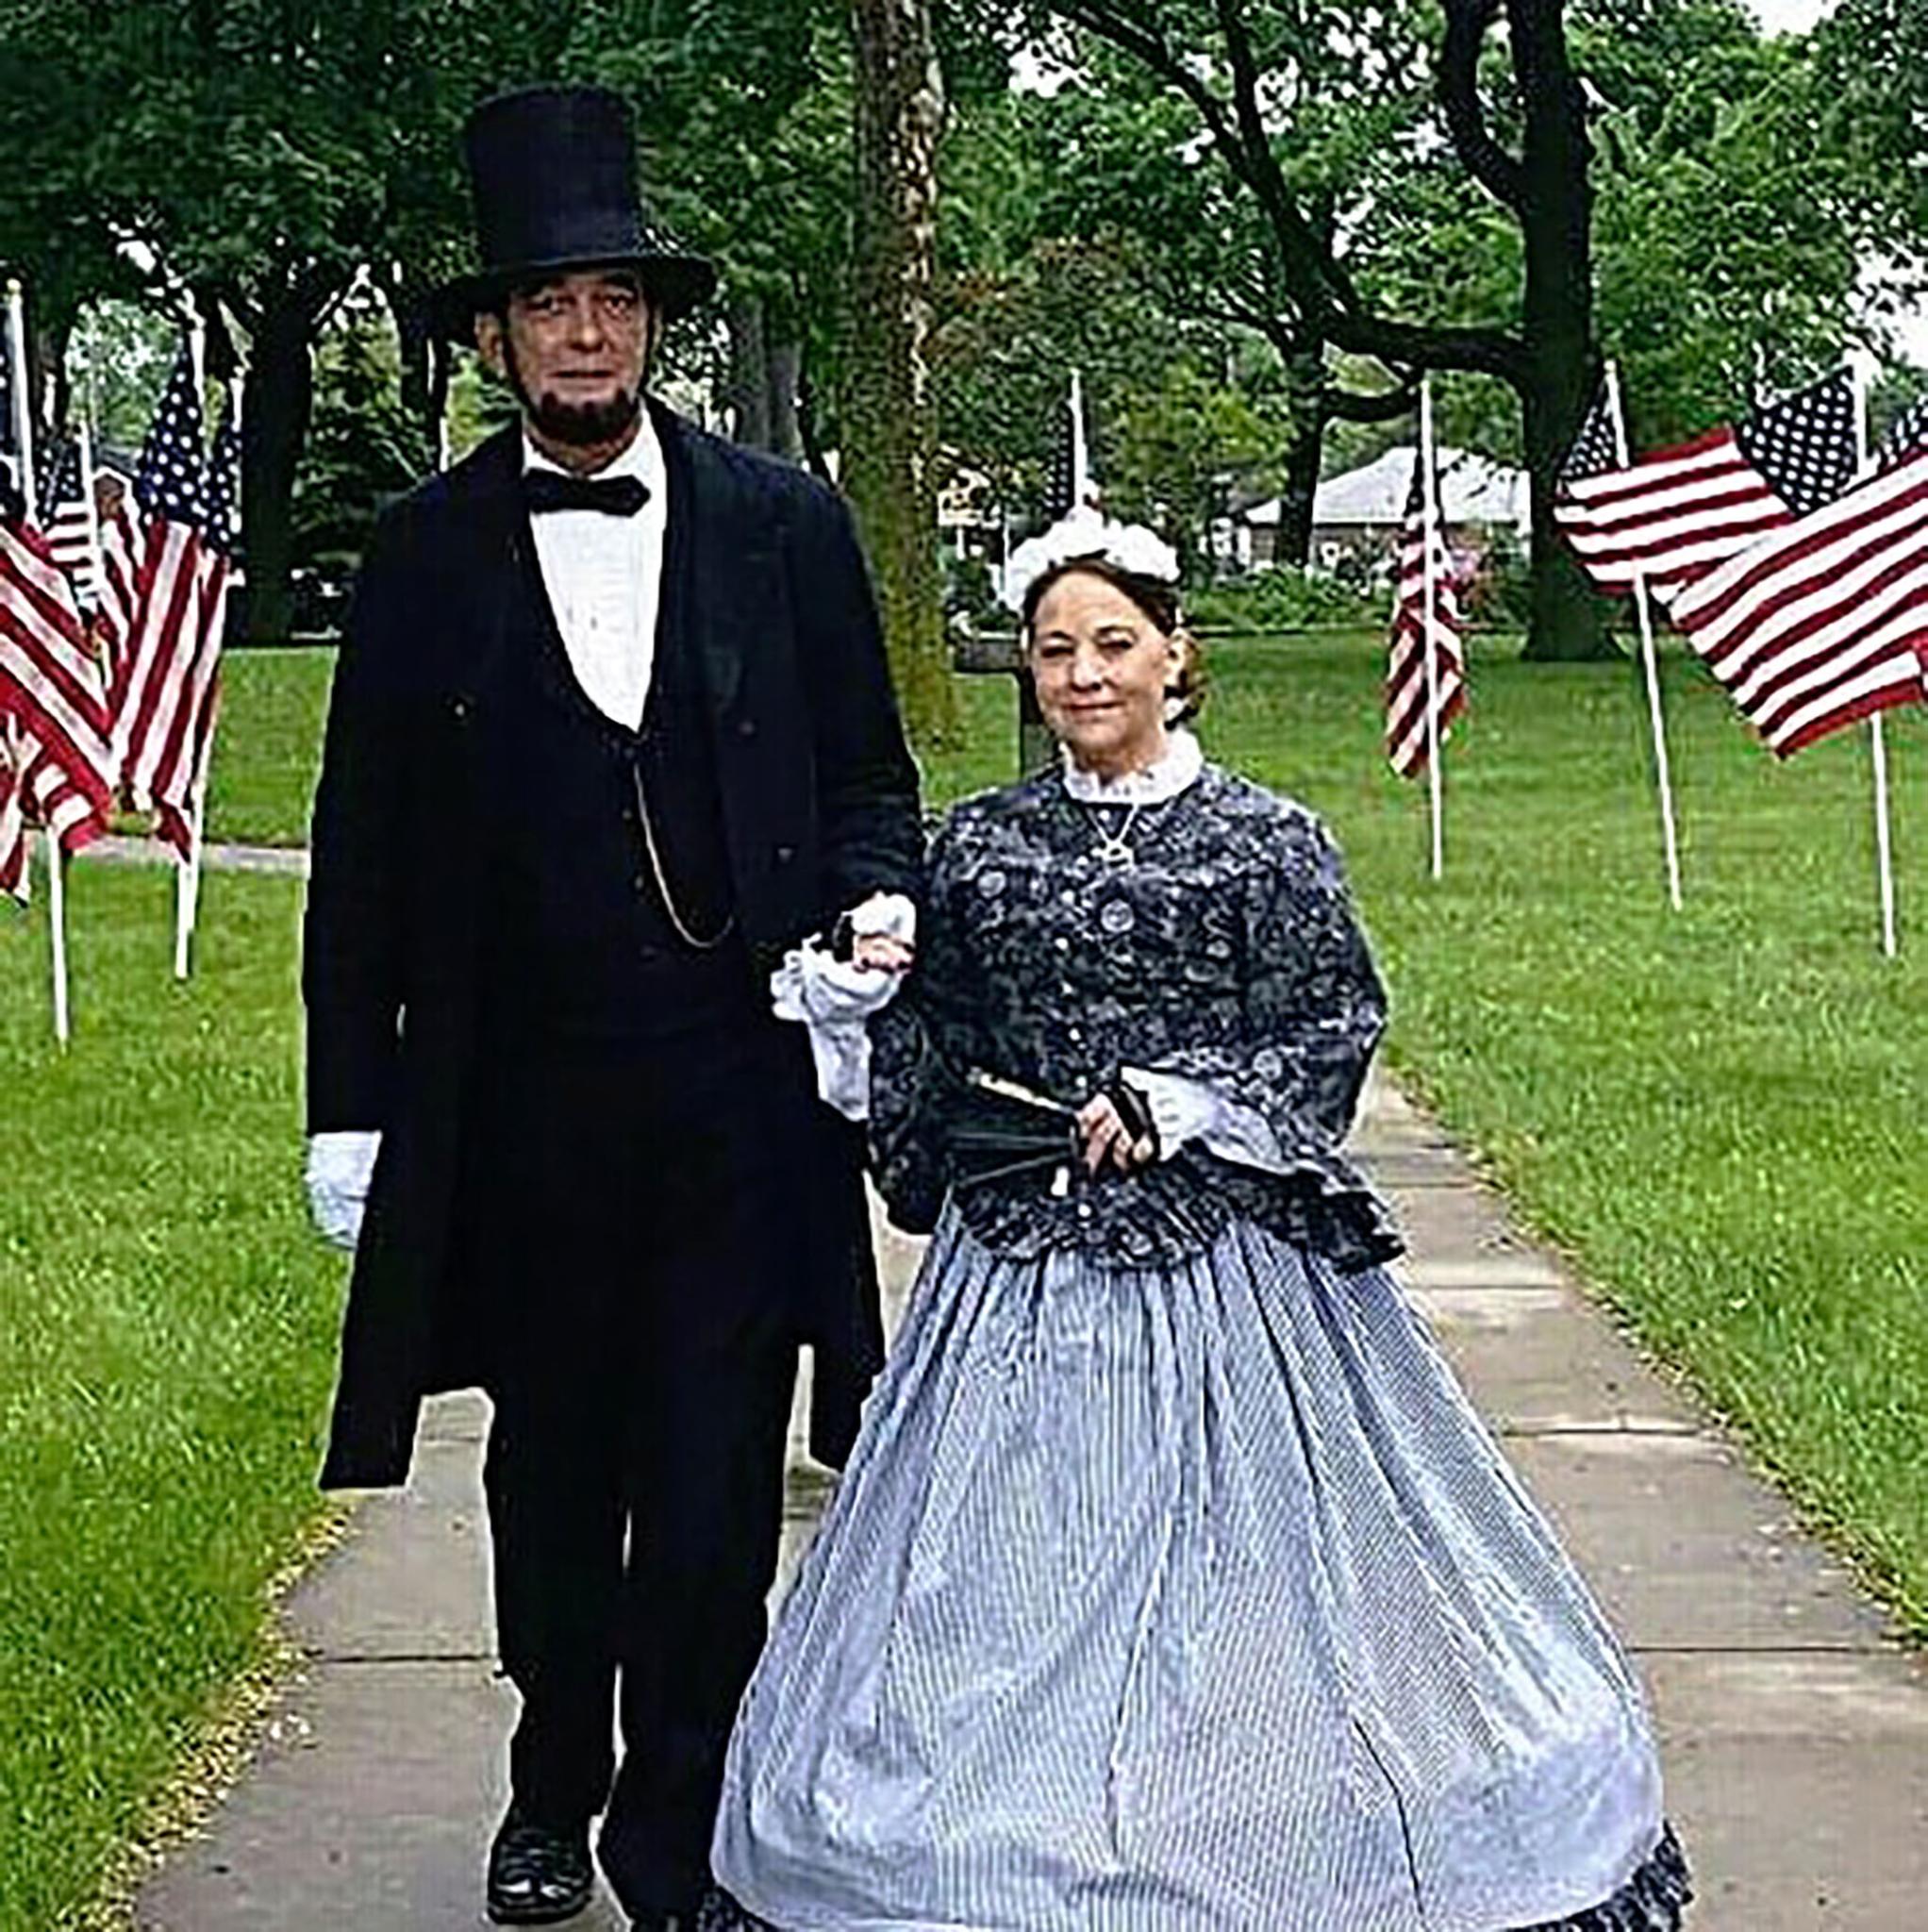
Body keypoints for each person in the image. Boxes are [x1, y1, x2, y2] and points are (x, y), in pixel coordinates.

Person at [710, 507, 1693, 1930]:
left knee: (1263, 1589)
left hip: (1236, 1270)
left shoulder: (1267, 842)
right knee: (996, 1600)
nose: (1085, 675)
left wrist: (1186, 1099)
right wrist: (861, 1022)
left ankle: (1256, 1817)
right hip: (1024, 1280)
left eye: (1116, 644)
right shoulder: (975, 847)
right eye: (1055, 651)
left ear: (1179, 655)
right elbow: (945, 1047)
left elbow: (1326, 1031)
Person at [300, 85, 922, 1930]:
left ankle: (678, 1830)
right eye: (550, 302)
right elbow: (363, 855)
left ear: (654, 322)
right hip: (523, 1106)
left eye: (616, 300)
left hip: (738, 1097)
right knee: (552, 1476)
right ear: (494, 335)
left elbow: (870, 780)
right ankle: (549, 1773)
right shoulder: (418, 559)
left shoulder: (784, 526)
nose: (587, 330)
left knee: (717, 1482)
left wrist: (875, 904)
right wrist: (354, 1101)